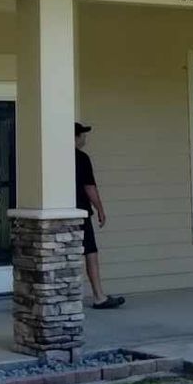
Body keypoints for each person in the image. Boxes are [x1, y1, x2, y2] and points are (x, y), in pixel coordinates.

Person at [75, 122, 123, 309]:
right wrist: (101, 210)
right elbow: (89, 187)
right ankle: (99, 296)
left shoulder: (56, 158)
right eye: (83, 135)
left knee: (66, 256)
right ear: (76, 137)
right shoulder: (82, 158)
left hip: (62, 213)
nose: (85, 138)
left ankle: (68, 297)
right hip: (81, 212)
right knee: (90, 253)